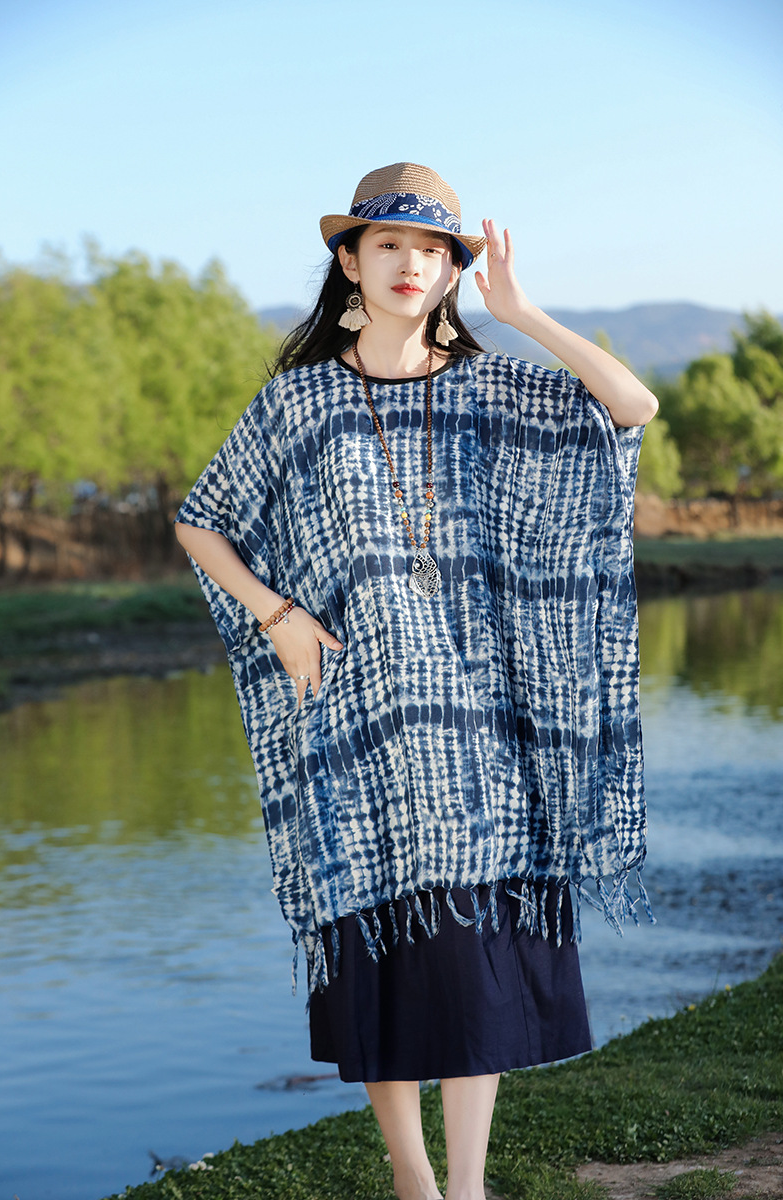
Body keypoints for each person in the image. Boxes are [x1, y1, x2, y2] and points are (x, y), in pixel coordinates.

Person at [175, 162, 658, 1200]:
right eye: (387, 243)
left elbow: (629, 407)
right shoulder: (298, 403)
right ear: (349, 261)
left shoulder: (489, 386)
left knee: (472, 961)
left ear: (450, 272)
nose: (410, 263)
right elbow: (199, 521)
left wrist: (520, 314)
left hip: (478, 726)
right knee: (376, 953)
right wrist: (278, 616)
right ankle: (411, 1178)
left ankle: (466, 1186)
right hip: (350, 718)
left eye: (432, 249)